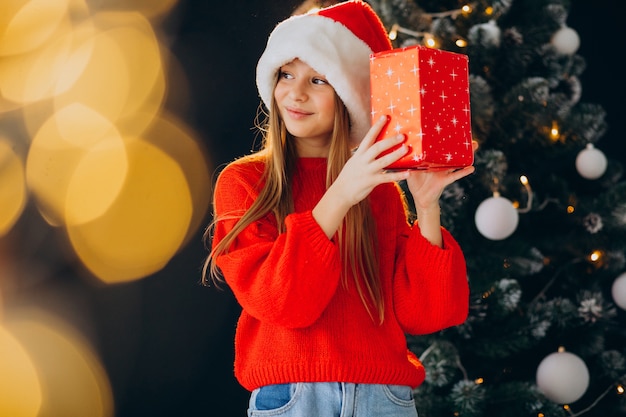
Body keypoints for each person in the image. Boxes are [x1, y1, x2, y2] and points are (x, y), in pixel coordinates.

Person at [203, 1, 475, 416]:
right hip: (294, 399)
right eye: (287, 74)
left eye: (318, 80)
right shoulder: (245, 184)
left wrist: (427, 205)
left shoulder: (378, 189)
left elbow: (426, 313)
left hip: (384, 398)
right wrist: (341, 194)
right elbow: (283, 303)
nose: (295, 93)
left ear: (348, 95)